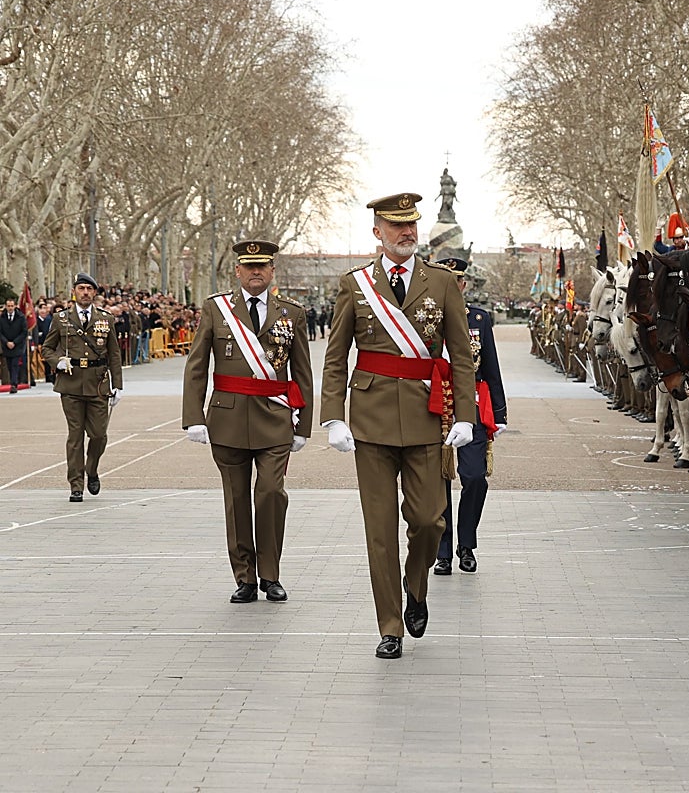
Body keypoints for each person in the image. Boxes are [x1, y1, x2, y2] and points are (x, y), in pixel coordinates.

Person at [320, 191, 477, 660]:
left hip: (426, 417)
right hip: (370, 420)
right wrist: (333, 416)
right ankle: (390, 626)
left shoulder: (442, 282)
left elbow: (461, 356)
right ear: (378, 232)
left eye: (411, 224)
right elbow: (335, 356)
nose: (407, 232)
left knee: (429, 521)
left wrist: (465, 416)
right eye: (396, 225)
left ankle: (416, 584)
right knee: (380, 530)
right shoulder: (355, 285)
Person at [182, 240, 313, 605]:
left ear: (272, 271)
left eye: (262, 266)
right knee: (237, 500)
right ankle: (245, 578)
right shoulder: (216, 308)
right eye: (249, 266)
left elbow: (303, 372)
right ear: (237, 271)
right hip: (228, 418)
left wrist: (303, 425)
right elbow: (196, 366)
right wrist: (194, 417)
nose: (256, 272)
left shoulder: (292, 312)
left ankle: (270, 575)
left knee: (271, 494)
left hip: (275, 418)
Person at [431, 257, 508, 576]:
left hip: (470, 405)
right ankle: (443, 551)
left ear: (464, 285)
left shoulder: (478, 318)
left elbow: (490, 365)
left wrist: (499, 412)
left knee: (474, 476)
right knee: (436, 481)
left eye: (459, 281)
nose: (455, 285)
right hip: (433, 405)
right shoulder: (423, 318)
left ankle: (466, 544)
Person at [39, 272, 123, 502]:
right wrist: (57, 361)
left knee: (99, 435)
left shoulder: (106, 318)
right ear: (74, 292)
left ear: (94, 292)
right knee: (75, 436)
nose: (85, 292)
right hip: (71, 384)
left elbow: (114, 353)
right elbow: (47, 348)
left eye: (89, 289)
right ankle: (76, 485)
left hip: (98, 385)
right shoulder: (61, 318)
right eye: (81, 288)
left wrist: (118, 385)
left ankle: (91, 469)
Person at [1, 298, 27, 393]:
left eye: (12, 306)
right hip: (6, 345)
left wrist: (15, 342)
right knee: (9, 365)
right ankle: (13, 381)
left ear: (15, 306)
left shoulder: (21, 317)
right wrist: (6, 342)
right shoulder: (2, 317)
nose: (10, 308)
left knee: (15, 364)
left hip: (17, 345)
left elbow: (24, 332)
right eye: (8, 306)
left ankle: (13, 384)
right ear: (5, 306)